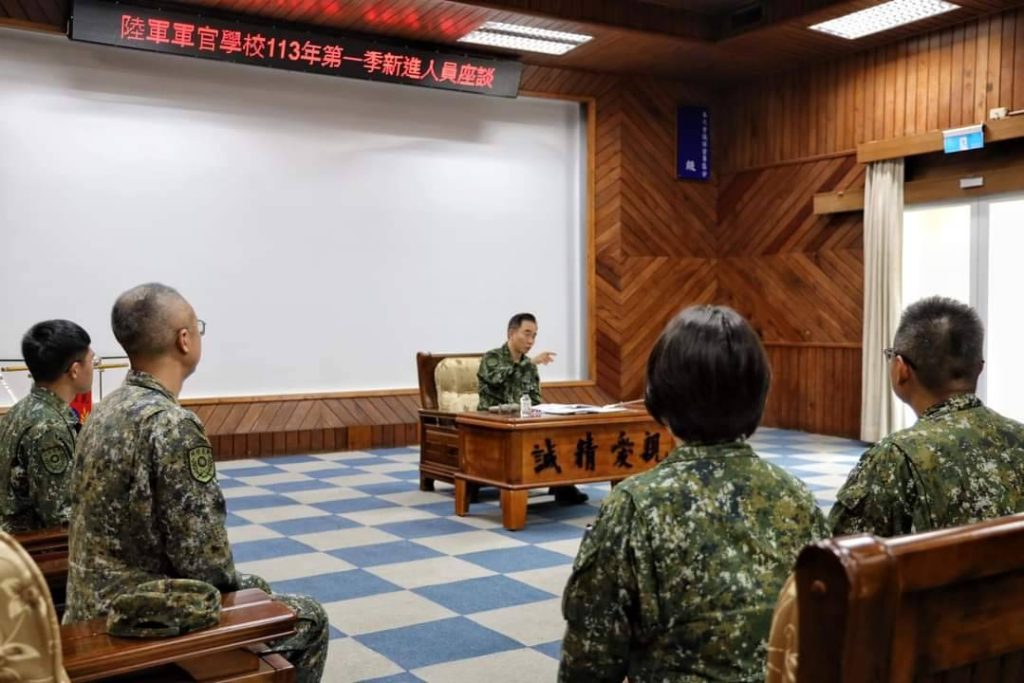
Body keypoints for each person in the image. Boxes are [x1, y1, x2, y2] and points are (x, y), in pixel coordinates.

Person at [64, 283, 327, 682]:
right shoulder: (172, 425)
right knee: (308, 618)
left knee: (257, 587)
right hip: (136, 619)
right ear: (184, 340)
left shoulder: (105, 410)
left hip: (88, 603)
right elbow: (207, 564)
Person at [559, 305, 827, 682]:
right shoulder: (797, 498)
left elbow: (589, 664)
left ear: (661, 397)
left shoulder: (635, 506)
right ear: (759, 395)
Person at [830, 296, 1024, 537]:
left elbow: (839, 552)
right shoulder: (1020, 436)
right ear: (979, 369)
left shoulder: (895, 457)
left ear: (901, 369)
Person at [477, 312, 586, 505]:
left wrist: (543, 411)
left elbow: (535, 398)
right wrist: (530, 363)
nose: (531, 341)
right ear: (511, 333)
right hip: (494, 421)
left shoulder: (529, 365)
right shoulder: (491, 358)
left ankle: (562, 485)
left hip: (522, 421)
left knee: (560, 433)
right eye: (527, 334)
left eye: (534, 336)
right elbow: (499, 379)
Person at [0, 320, 94, 532]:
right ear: (75, 370)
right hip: (35, 545)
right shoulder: (50, 428)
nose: (94, 366)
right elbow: (60, 517)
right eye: (92, 360)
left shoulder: (21, 410)